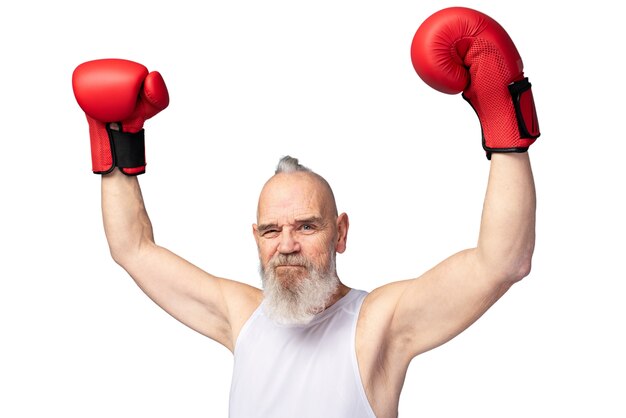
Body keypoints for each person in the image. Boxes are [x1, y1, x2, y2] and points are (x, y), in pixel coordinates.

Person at [72, 6, 540, 418]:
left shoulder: (378, 324)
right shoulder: (243, 316)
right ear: (255, 237)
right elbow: (132, 248)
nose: (287, 245)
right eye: (272, 230)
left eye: (307, 226)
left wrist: (503, 114)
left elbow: (501, 262)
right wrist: (115, 140)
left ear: (340, 233)